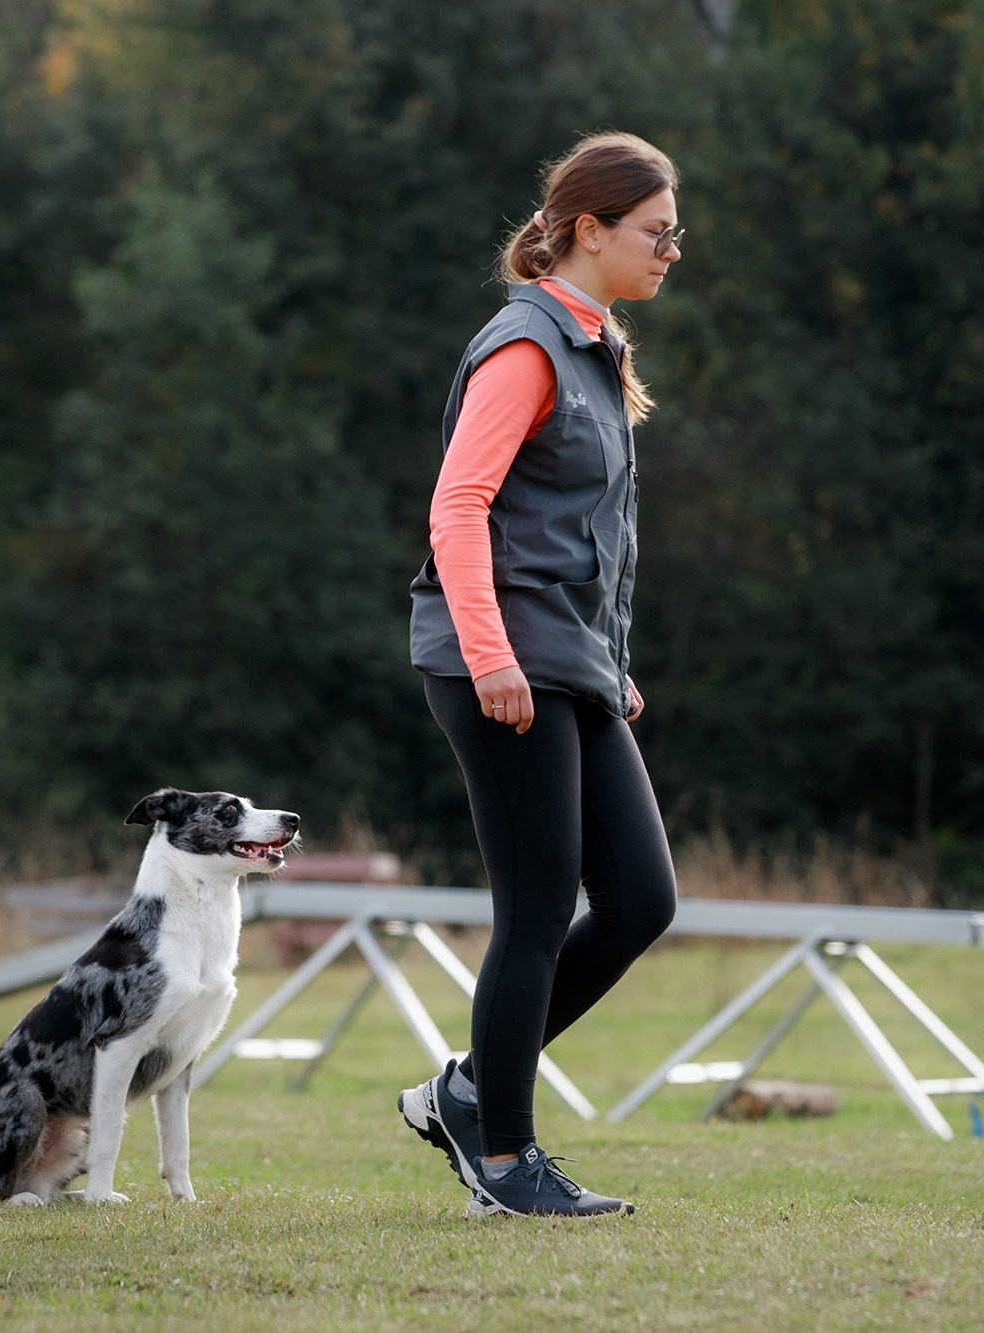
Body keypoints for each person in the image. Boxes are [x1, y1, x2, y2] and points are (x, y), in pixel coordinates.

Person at [400, 131, 684, 1219]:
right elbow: (457, 509)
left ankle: (468, 1092)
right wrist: (491, 657)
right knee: (532, 910)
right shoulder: (523, 348)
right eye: (654, 235)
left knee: (639, 899)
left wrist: (607, 664)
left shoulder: (595, 348)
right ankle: (506, 1160)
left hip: (565, 665)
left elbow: (577, 535)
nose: (669, 253)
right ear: (589, 230)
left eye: (673, 235)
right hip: (496, 665)